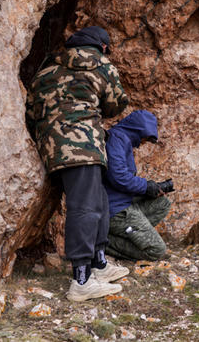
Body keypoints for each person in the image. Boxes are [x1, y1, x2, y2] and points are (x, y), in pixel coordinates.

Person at [25, 26, 130, 302]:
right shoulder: (101, 63)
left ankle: (99, 264)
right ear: (103, 46)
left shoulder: (48, 68)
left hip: (52, 146)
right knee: (85, 209)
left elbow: (31, 109)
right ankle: (81, 281)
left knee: (99, 203)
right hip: (84, 144)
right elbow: (116, 103)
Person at [103, 110, 173, 261]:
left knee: (163, 203)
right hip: (117, 211)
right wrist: (146, 187)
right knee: (157, 250)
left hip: (125, 203)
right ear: (138, 130)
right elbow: (118, 177)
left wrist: (151, 190)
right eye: (145, 138)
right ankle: (102, 242)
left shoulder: (123, 141)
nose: (142, 143)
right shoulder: (116, 139)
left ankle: (133, 235)